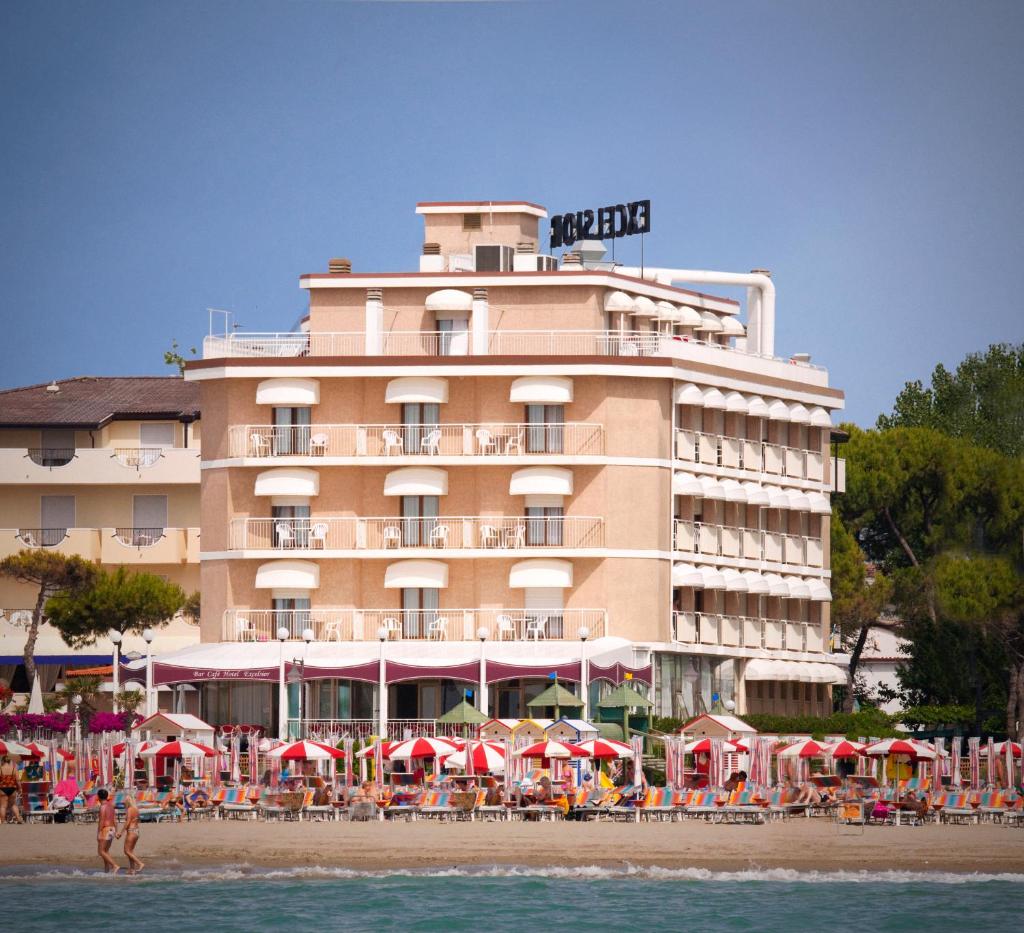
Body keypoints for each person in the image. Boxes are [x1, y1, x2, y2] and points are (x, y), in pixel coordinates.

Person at [116, 795, 144, 874]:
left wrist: (121, 833)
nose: (124, 802)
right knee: (130, 851)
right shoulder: (136, 809)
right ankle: (132, 869)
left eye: (125, 800)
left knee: (126, 851)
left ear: (128, 801)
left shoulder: (129, 809)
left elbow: (127, 822)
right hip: (136, 832)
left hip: (131, 831)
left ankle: (140, 863)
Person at [96, 788, 120, 874]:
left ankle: (114, 865)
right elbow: (114, 819)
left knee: (101, 851)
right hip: (112, 829)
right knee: (106, 851)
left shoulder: (103, 807)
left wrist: (98, 833)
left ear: (98, 797)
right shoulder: (111, 806)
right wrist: (116, 831)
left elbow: (101, 820)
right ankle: (107, 870)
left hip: (105, 829)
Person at [0, 756, 23, 824]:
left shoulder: (0, 769)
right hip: (12, 788)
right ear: (9, 761)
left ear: (3, 761)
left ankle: (3, 821)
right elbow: (18, 780)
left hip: (2, 788)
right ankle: (18, 819)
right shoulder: (14, 769)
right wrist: (20, 788)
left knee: (3, 806)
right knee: (13, 804)